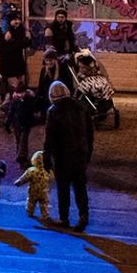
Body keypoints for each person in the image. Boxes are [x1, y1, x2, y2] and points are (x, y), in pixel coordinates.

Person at [43, 78, 93, 229]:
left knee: (63, 188)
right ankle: (83, 215)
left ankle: (64, 218)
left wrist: (47, 156)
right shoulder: (81, 106)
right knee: (80, 186)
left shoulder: (53, 111)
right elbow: (90, 131)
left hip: (62, 156)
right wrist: (88, 151)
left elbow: (50, 136)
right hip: (80, 153)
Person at [13, 149, 51, 222]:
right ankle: (45, 215)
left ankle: (30, 212)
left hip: (33, 191)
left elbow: (24, 178)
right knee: (44, 203)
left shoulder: (31, 170)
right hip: (44, 191)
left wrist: (18, 183)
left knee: (31, 202)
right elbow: (51, 180)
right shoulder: (48, 171)